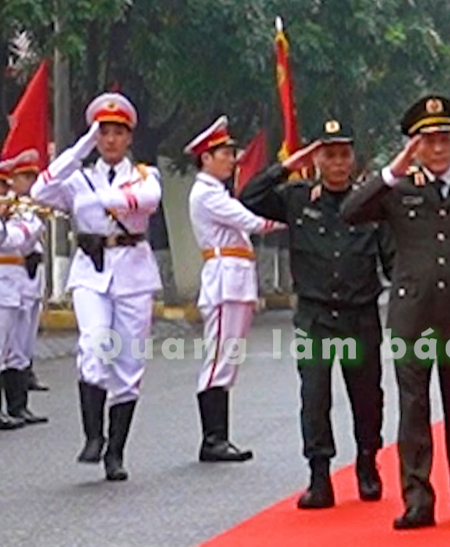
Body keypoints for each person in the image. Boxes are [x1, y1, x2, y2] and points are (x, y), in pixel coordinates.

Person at [341, 95, 450, 529]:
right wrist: (394, 169)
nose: (438, 149)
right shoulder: (397, 187)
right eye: (429, 141)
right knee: (414, 407)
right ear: (415, 146)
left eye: (445, 140)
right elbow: (350, 212)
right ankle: (417, 499)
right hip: (412, 316)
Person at [241, 120, 394, 509]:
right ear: (318, 159)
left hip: (360, 315)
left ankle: (366, 463)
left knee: (367, 395)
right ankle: (319, 476)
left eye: (344, 154)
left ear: (353, 159)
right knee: (314, 396)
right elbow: (249, 196)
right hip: (315, 317)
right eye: (329, 155)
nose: (338, 163)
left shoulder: (371, 203)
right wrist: (288, 165)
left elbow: (392, 261)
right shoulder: (297, 199)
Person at [31, 93, 162, 481]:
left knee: (128, 363)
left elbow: (145, 200)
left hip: (133, 272)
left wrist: (94, 199)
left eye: (117, 132)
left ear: (129, 137)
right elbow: (40, 191)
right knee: (94, 341)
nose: (109, 140)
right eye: (102, 133)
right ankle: (93, 436)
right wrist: (79, 148)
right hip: (90, 271)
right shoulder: (78, 176)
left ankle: (115, 453)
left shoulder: (144, 175)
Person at [185, 116, 283, 463]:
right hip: (224, 280)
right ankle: (212, 439)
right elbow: (250, 221)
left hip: (236, 278)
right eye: (224, 152)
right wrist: (290, 222)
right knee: (219, 360)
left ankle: (218, 437)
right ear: (206, 158)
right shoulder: (206, 194)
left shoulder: (216, 191)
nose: (232, 158)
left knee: (228, 358)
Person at [0, 150, 47, 429]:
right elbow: (11, 239)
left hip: (23, 281)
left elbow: (29, 234)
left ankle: (18, 406)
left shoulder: (25, 209)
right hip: (4, 278)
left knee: (19, 347)